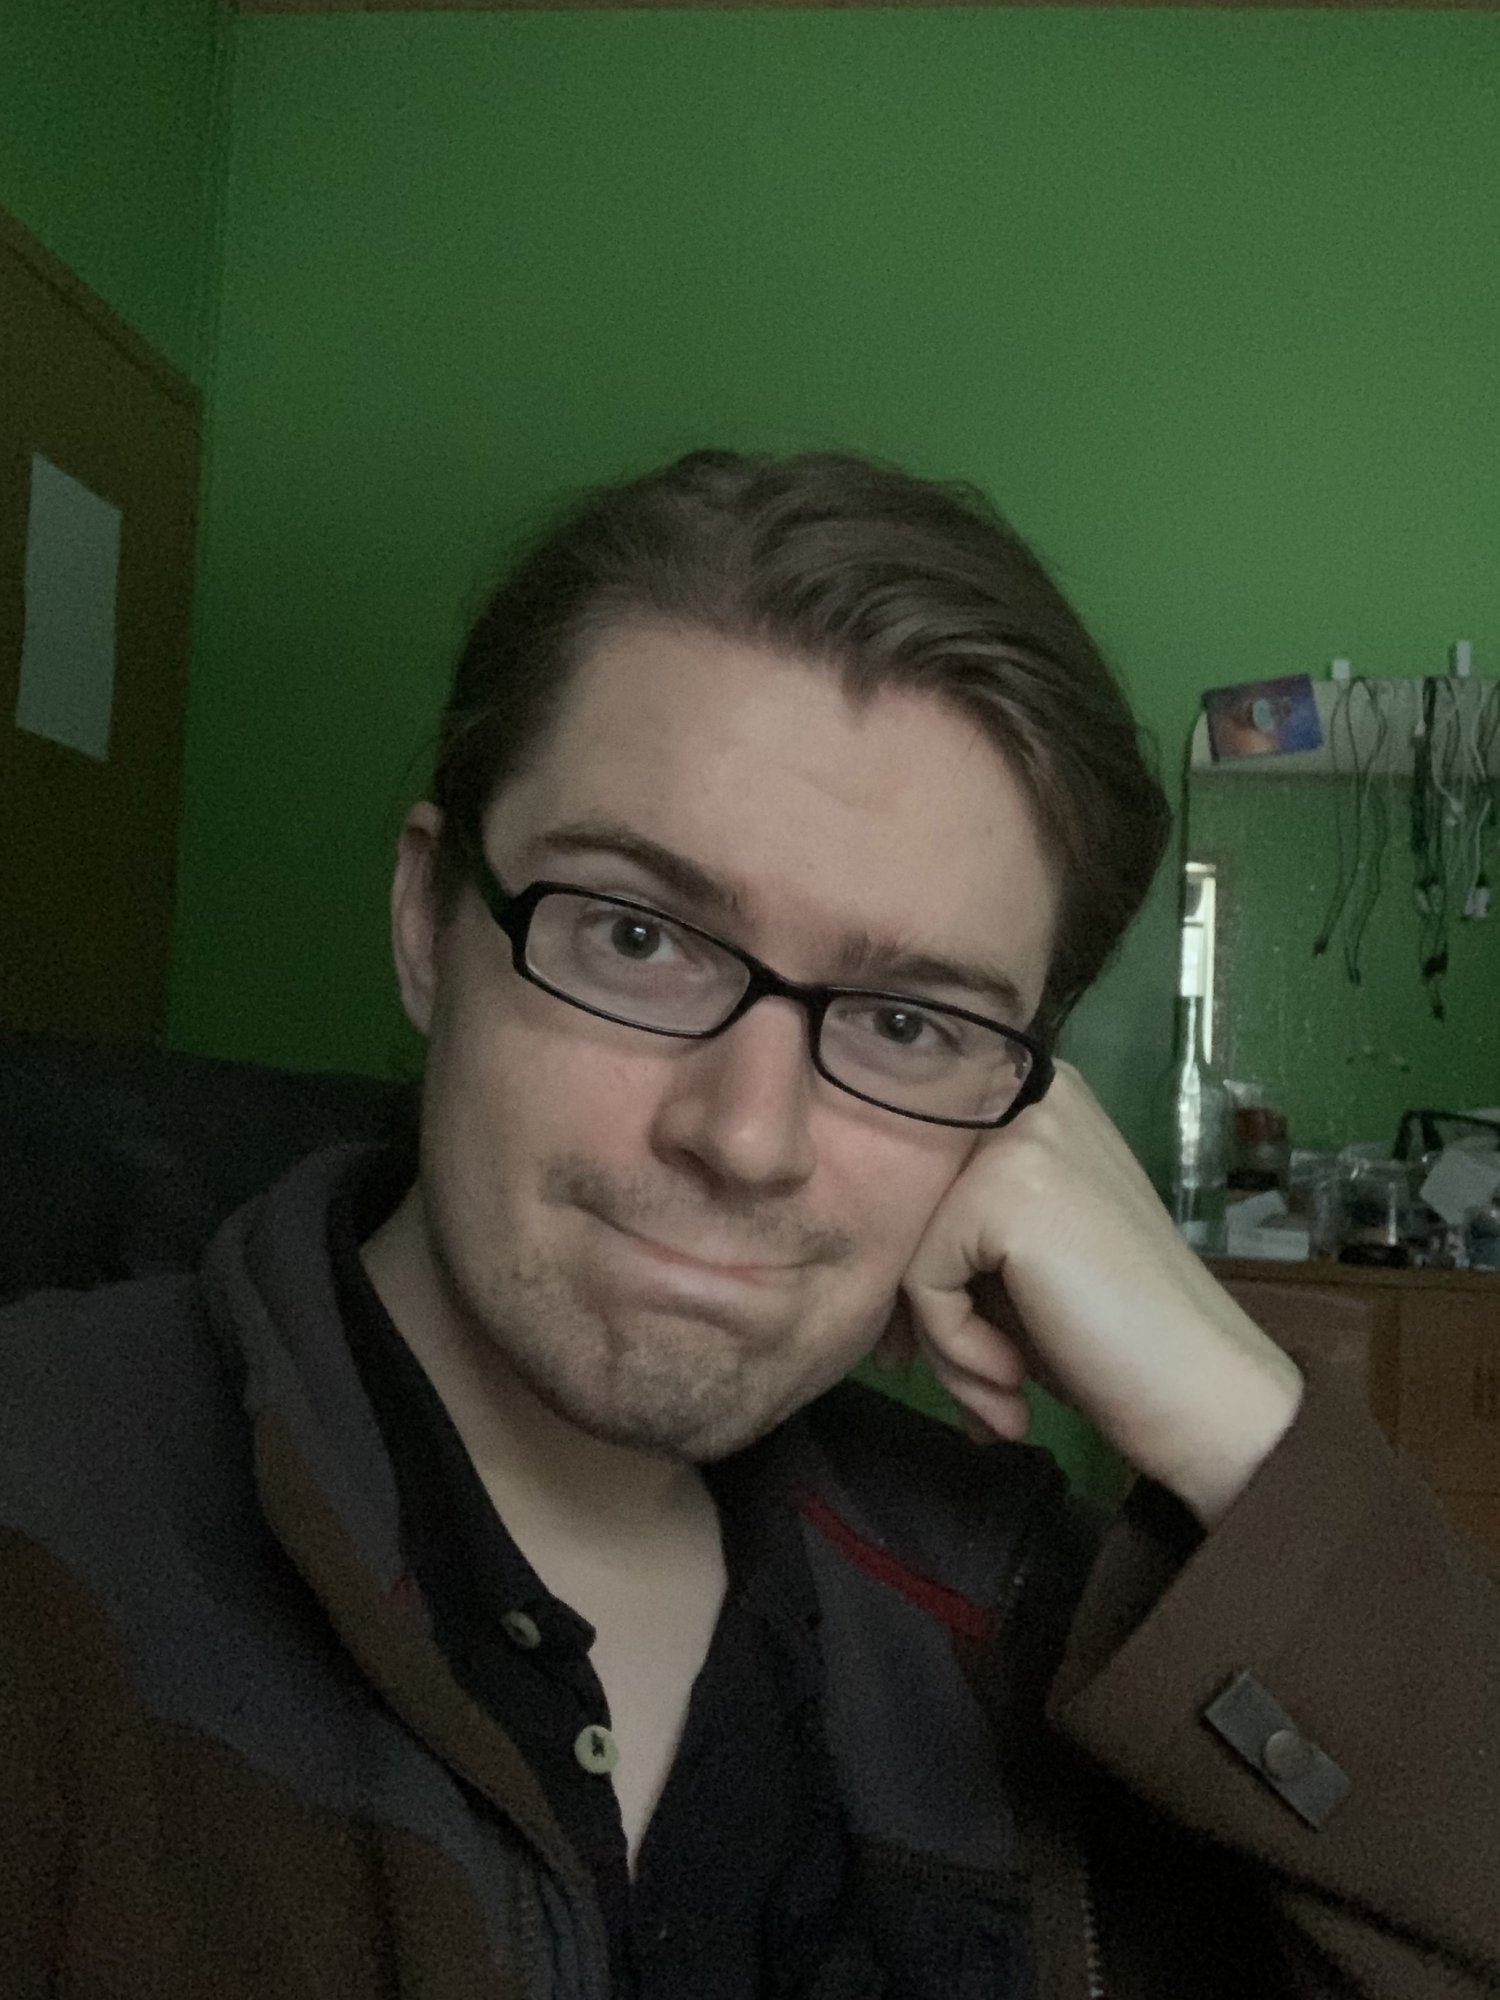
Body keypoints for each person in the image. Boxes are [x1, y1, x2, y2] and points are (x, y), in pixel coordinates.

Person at [1, 450, 1496, 2000]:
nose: (747, 1137)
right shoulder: (42, 1531)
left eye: (908, 1024)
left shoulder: (1018, 1617)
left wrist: (1235, 1413)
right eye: (638, 936)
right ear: (428, 923)